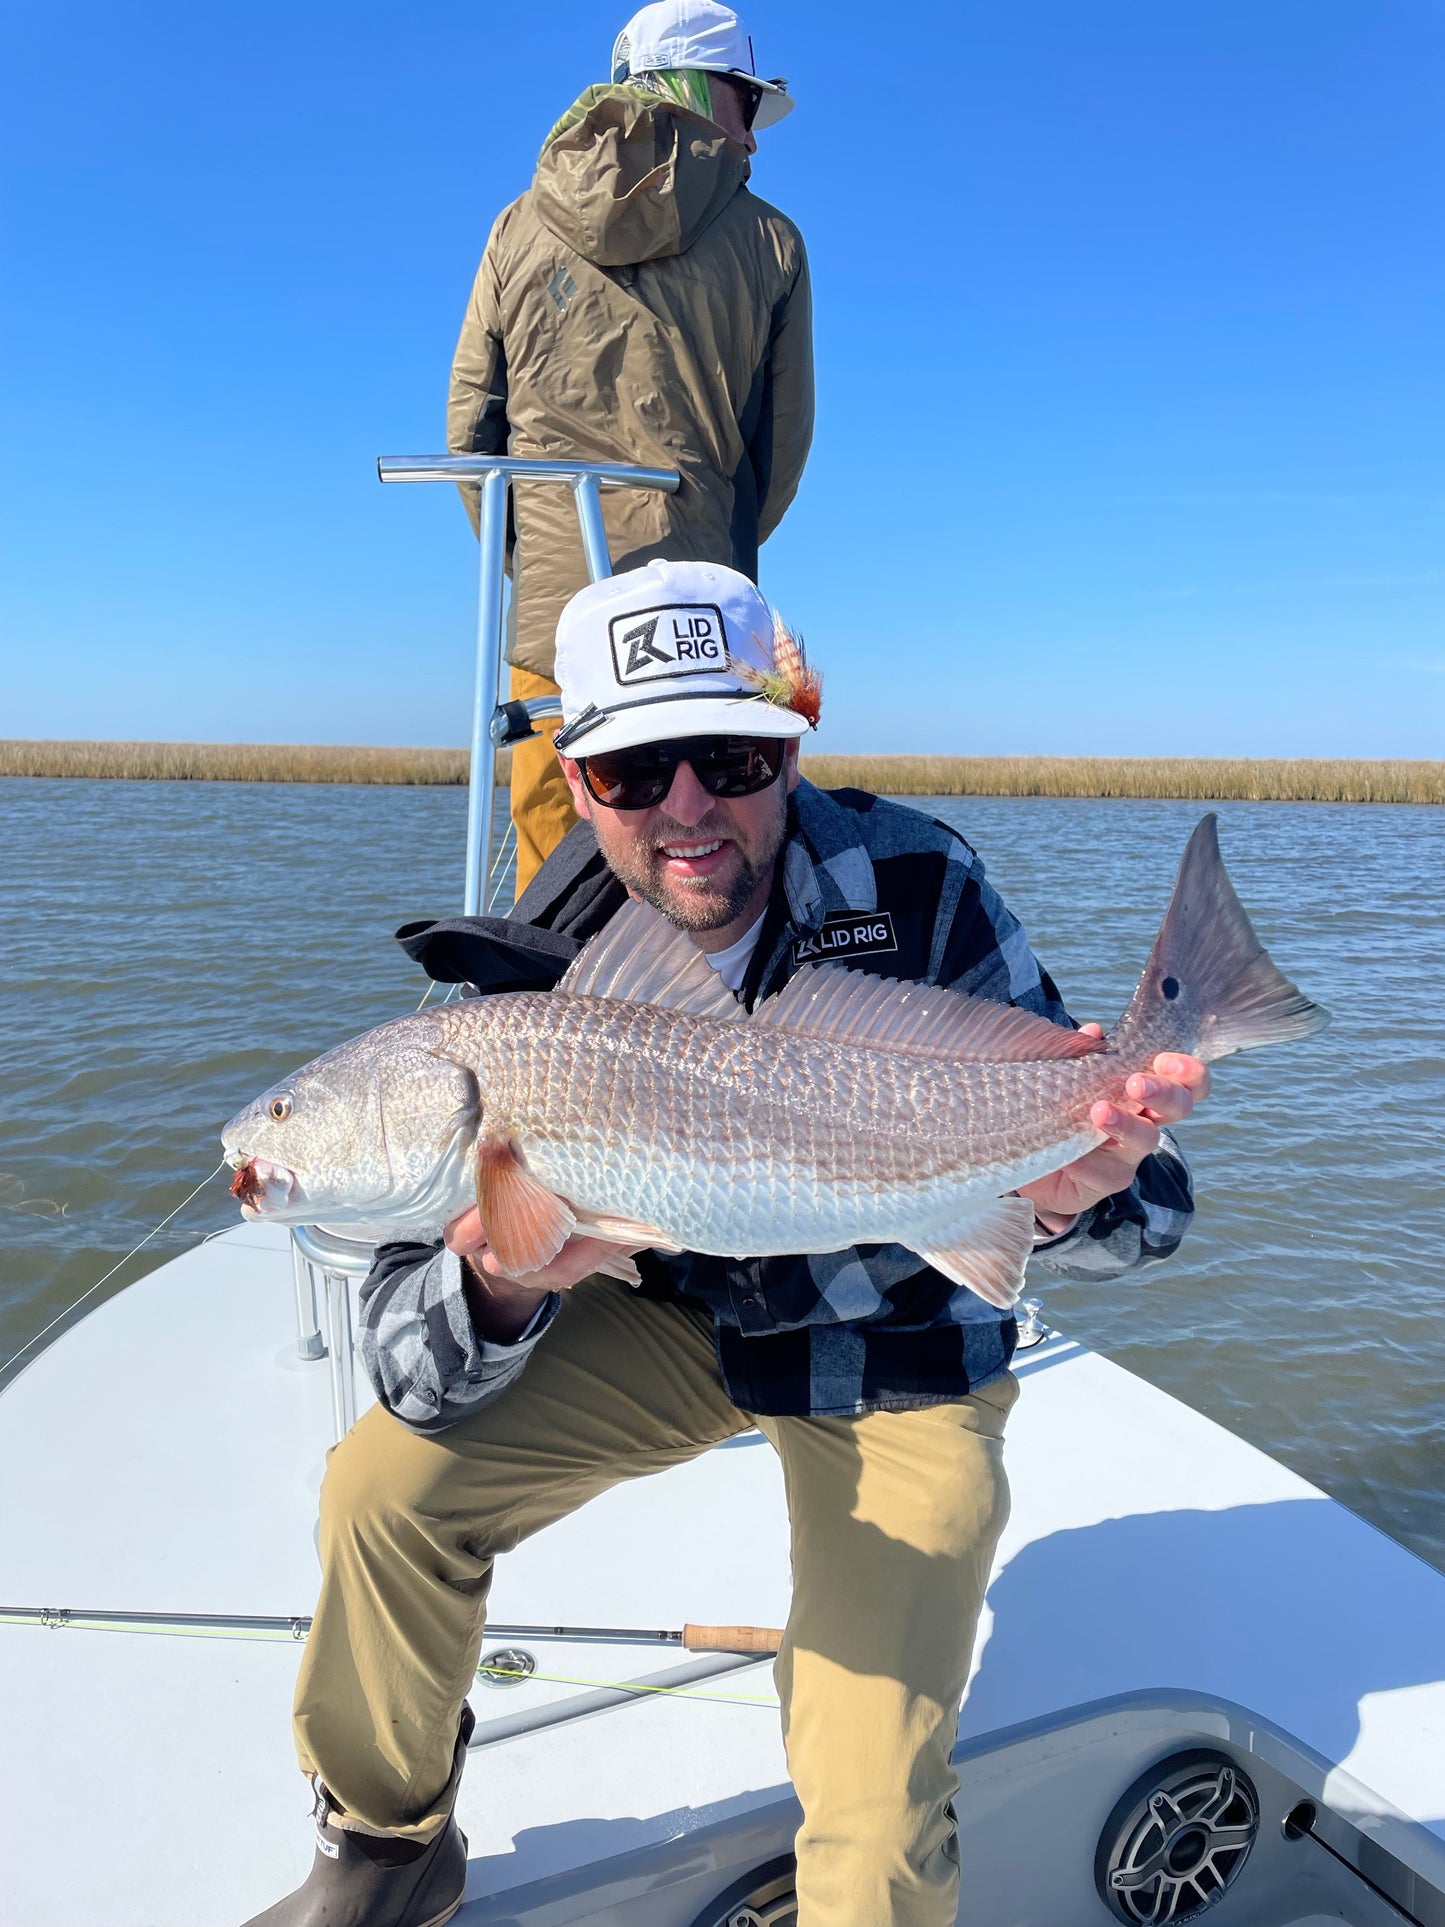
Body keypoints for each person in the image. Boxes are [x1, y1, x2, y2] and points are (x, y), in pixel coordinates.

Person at [245, 560, 1206, 1927]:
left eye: (732, 754)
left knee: (873, 1828)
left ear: (791, 744)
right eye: (636, 769)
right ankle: (386, 1839)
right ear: (578, 781)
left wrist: (1071, 1191)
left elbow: (1155, 1216)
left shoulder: (924, 883)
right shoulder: (532, 954)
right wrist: (499, 1277)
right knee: (384, 1487)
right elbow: (412, 1362)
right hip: (670, 1303)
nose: (688, 804)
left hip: (897, 1334)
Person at [447, 0, 814, 896]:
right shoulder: (771, 240)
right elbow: (782, 445)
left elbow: (469, 432)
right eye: (743, 102)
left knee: (556, 873)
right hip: (703, 621)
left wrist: (530, 561)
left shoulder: (512, 226)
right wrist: (718, 555)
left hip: (549, 616)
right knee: (707, 858)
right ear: (696, 90)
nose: (753, 138)